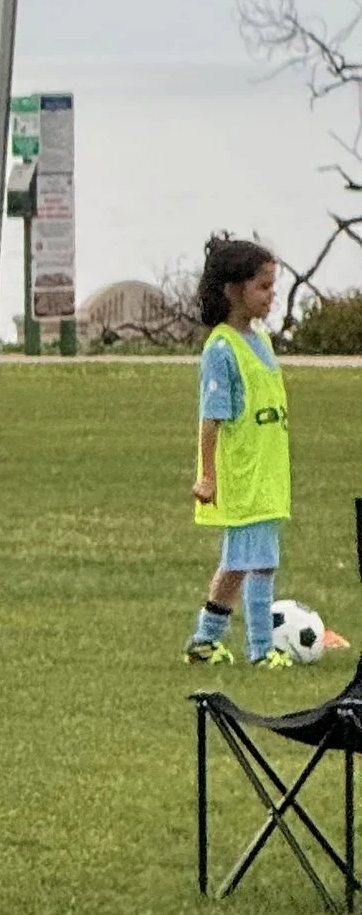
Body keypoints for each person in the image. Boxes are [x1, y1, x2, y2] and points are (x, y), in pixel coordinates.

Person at [186, 234, 292, 671]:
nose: (271, 296)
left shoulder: (261, 341)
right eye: (263, 287)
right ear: (234, 291)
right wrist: (208, 476)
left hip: (267, 473)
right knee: (260, 564)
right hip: (243, 475)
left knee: (238, 563)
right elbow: (211, 419)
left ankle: (204, 641)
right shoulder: (222, 349)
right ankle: (261, 649)